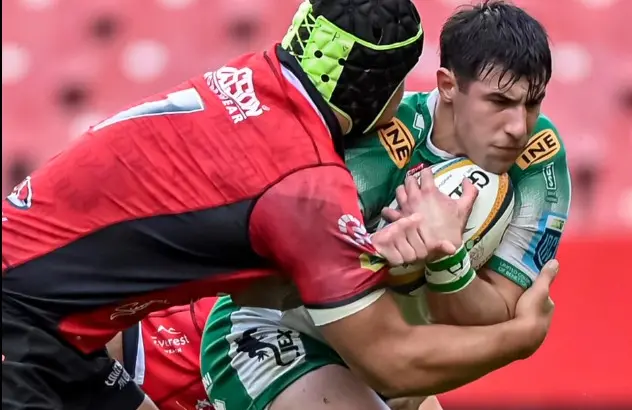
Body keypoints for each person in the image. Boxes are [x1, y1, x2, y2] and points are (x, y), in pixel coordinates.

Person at [1, 1, 556, 409]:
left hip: (58, 327)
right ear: (378, 90)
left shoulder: (252, 75)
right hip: (21, 323)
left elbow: (262, 282)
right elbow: (390, 361)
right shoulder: (305, 181)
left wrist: (369, 257)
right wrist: (518, 338)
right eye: (401, 87)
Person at [199, 2, 568, 410]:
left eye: (532, 103)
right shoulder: (378, 139)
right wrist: (372, 258)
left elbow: (496, 314)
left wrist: (448, 260)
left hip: (388, 353)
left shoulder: (539, 159)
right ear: (447, 85)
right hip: (272, 334)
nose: (519, 127)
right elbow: (270, 287)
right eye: (498, 102)